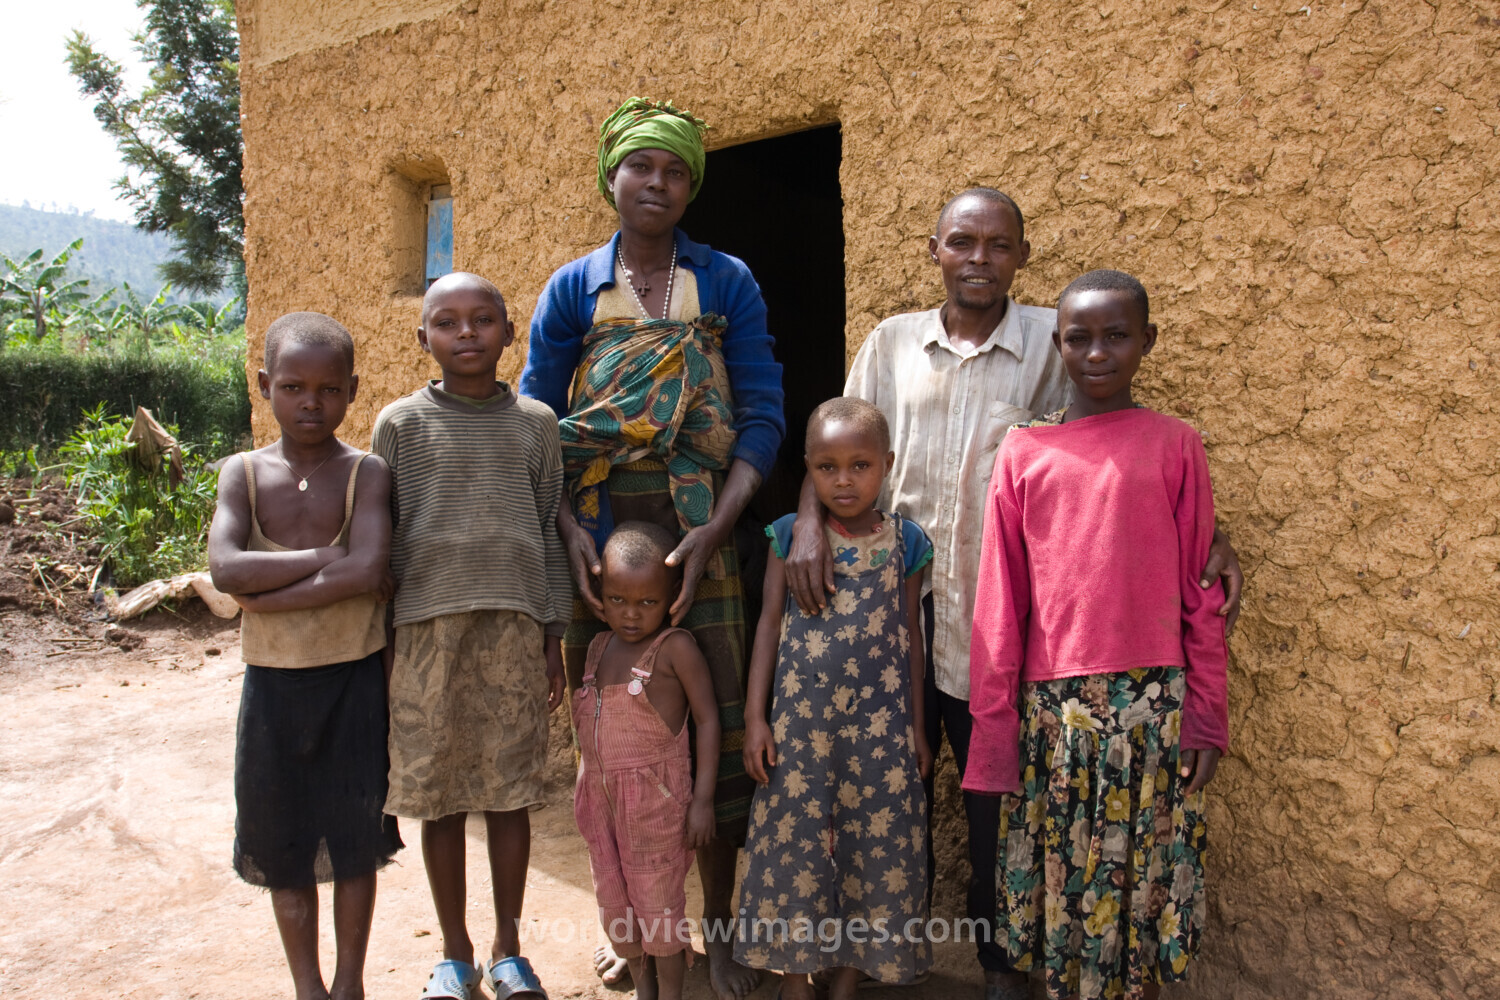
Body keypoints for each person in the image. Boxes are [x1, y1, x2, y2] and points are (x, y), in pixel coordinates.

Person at [782, 188, 1243, 999]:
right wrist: (809, 522)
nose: (979, 259)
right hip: (890, 611)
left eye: (999, 245)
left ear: (1023, 257)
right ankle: (881, 954)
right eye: (963, 242)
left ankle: (1000, 962)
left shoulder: (1050, 340)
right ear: (935, 251)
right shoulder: (892, 343)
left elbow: (1116, 457)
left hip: (991, 616)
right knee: (885, 787)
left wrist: (1211, 539)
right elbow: (839, 439)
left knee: (998, 805)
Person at [521, 96, 784, 1000]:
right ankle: (633, 925)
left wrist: (718, 526)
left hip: (701, 528)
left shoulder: (726, 282)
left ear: (691, 186)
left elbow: (761, 412)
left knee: (716, 727)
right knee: (616, 736)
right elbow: (539, 423)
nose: (658, 184)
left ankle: (721, 927)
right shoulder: (575, 288)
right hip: (599, 535)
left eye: (675, 171)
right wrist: (567, 531)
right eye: (641, 167)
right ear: (612, 177)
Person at [966, 269, 1230, 1000]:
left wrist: (1206, 716)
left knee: (1142, 884)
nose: (1097, 352)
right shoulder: (1024, 452)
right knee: (1065, 886)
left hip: (1154, 713)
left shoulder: (1176, 445)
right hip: (1056, 718)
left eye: (1117, 336)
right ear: (1058, 345)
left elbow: (1201, 595)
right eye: (1079, 338)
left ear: (1148, 341)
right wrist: (994, 735)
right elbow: (1000, 604)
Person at [371, 273, 568, 1000]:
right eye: (447, 322)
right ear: (422, 336)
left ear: (509, 333)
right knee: (441, 796)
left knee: (509, 795)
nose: (466, 334)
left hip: (513, 629)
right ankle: (454, 954)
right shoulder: (400, 424)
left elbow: (548, 528)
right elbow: (384, 541)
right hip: (426, 633)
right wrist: (387, 645)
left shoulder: (536, 424)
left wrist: (553, 633)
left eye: (482, 320)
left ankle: (508, 949)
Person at [208, 311, 403, 1000]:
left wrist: (268, 596)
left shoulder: (365, 473)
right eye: (293, 387)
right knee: (281, 843)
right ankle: (308, 988)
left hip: (354, 682)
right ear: (265, 385)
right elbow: (227, 569)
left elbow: (369, 567)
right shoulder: (242, 474)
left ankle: (349, 984)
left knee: (355, 840)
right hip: (272, 689)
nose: (310, 403)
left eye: (328, 389)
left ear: (352, 391)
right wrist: (328, 555)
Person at [736, 397, 935, 998]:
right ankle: (795, 976)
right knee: (793, 845)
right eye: (827, 467)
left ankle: (849, 973)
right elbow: (768, 625)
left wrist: (918, 729)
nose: (843, 481)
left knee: (876, 848)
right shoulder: (788, 537)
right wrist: (755, 719)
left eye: (860, 466)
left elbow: (911, 637)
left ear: (887, 465)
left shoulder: (907, 542)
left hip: (881, 732)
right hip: (800, 730)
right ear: (808, 468)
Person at [572, 521, 721, 1000]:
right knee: (615, 904)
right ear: (600, 594)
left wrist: (703, 801)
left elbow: (708, 721)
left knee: (659, 911)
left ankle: (669, 994)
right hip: (602, 808)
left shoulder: (675, 649)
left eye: (647, 602)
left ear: (673, 595)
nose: (631, 614)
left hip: (654, 809)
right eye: (617, 599)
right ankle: (645, 990)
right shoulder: (598, 648)